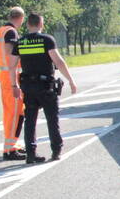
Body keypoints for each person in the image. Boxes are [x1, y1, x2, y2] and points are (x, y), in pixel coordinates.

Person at [7, 13, 77, 164]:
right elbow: (59, 62)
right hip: (46, 87)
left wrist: (14, 85)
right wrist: (70, 80)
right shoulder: (47, 40)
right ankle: (56, 150)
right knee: (52, 119)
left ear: (28, 25)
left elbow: (11, 66)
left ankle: (31, 154)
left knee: (30, 121)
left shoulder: (21, 42)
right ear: (41, 24)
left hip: (28, 87)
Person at [0, 7, 26, 160]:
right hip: (11, 76)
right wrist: (15, 83)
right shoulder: (11, 32)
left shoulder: (1, 30)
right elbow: (11, 57)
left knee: (12, 112)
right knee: (14, 113)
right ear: (21, 18)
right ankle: (10, 149)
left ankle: (13, 144)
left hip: (5, 75)